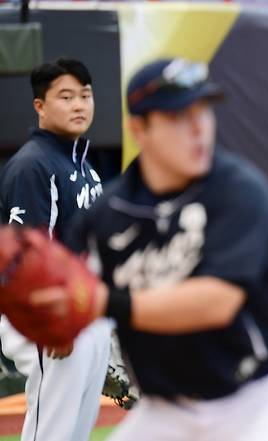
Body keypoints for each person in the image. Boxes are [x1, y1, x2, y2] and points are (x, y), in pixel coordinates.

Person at [55, 57, 268, 441]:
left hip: (263, 391)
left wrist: (101, 303)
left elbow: (217, 302)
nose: (199, 128)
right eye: (179, 116)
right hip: (170, 405)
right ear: (138, 129)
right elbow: (65, 287)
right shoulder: (108, 214)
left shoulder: (240, 191)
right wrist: (57, 320)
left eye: (204, 111)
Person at [0, 58, 111, 441]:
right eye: (66, 96)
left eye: (85, 95)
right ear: (40, 106)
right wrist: (52, 325)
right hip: (49, 320)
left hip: (81, 315)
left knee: (76, 431)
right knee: (52, 432)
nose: (79, 104)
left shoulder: (82, 163)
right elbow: (25, 258)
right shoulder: (33, 166)